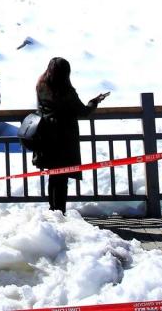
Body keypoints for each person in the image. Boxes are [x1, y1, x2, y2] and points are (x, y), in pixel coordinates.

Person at [32, 57, 109, 213]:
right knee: (62, 177)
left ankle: (53, 209)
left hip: (46, 134)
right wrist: (94, 102)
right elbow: (83, 111)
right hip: (63, 137)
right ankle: (60, 211)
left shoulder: (41, 84)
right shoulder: (65, 90)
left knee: (53, 176)